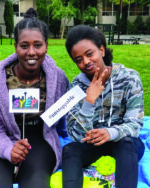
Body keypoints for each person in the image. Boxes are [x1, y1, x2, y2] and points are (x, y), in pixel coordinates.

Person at [0, 8, 69, 188]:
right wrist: (8, 149)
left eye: (38, 45)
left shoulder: (58, 78)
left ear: (46, 46)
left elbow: (63, 119)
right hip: (2, 139)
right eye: (24, 45)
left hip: (39, 140)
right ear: (15, 47)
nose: (31, 52)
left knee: (36, 183)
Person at [62, 24, 145, 188]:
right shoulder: (75, 88)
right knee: (70, 150)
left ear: (101, 50)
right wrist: (89, 101)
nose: (86, 62)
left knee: (127, 143)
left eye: (89, 54)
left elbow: (135, 124)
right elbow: (75, 134)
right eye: (78, 60)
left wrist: (110, 133)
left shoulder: (129, 78)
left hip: (123, 143)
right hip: (92, 146)